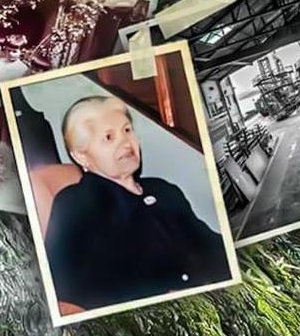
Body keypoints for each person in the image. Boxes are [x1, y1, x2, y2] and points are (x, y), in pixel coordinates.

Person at [43, 96, 230, 313]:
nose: (125, 142)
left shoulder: (163, 189)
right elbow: (67, 291)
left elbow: (208, 244)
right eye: (109, 137)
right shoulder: (74, 204)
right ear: (82, 156)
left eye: (127, 130)